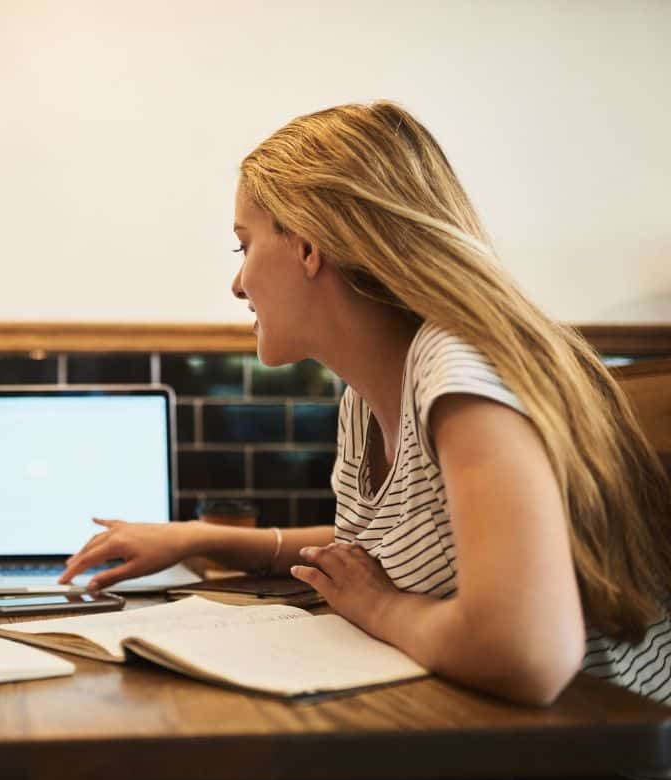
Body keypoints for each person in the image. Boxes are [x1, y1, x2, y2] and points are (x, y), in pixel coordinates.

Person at [61, 101, 671, 709]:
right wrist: (198, 538)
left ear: (308, 246)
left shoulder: (460, 372)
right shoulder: (366, 396)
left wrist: (380, 608)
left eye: (243, 247)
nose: (238, 284)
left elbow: (525, 655)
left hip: (600, 764)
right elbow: (404, 547)